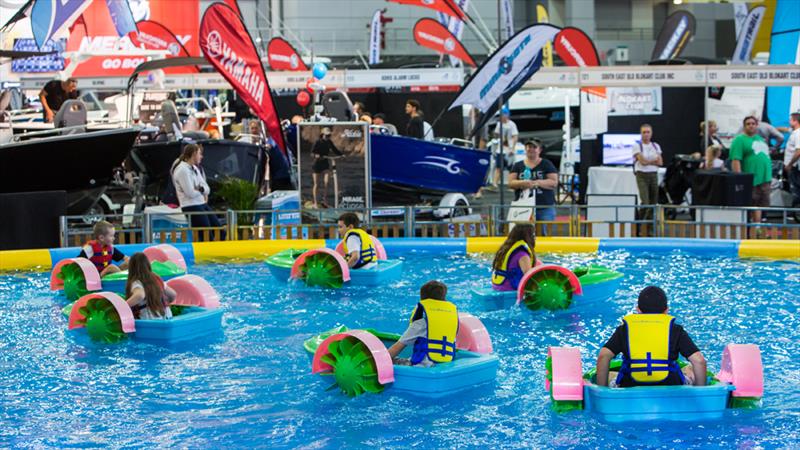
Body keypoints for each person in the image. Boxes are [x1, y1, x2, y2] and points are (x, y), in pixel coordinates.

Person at [595, 286, 707, 388]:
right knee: (689, 369)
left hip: (630, 385)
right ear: (666, 311)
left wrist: (602, 390)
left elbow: (603, 356)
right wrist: (701, 391)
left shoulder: (625, 329)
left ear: (638, 310)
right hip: (670, 385)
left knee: (609, 374)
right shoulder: (675, 329)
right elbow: (699, 361)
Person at [387, 280, 458, 368]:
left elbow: (397, 347)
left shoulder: (421, 324)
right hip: (444, 365)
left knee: (391, 359)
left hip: (421, 367)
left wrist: (381, 361)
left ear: (423, 300)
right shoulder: (452, 322)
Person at [171, 143, 224, 241]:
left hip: (201, 203)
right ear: (194, 154)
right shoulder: (182, 170)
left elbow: (207, 189)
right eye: (200, 154)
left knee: (220, 231)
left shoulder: (195, 168)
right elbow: (190, 193)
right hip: (190, 206)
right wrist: (201, 190)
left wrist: (200, 189)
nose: (201, 157)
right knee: (207, 235)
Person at [731, 116, 772, 237]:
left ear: (757, 125)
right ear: (744, 126)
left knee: (759, 205)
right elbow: (735, 160)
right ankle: (746, 231)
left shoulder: (759, 139)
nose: (751, 125)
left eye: (753, 123)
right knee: (750, 204)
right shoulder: (739, 140)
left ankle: (757, 229)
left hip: (764, 178)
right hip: (750, 179)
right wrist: (739, 178)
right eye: (748, 124)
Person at [508, 140, 559, 228]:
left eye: (534, 147)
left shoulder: (546, 164)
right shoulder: (517, 165)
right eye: (529, 147)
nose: (531, 149)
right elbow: (511, 183)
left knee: (544, 234)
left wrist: (536, 183)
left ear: (539, 150)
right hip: (522, 207)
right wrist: (523, 183)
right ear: (525, 149)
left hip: (544, 207)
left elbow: (554, 182)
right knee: (521, 234)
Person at [124, 252, 177, 320]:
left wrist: (124, 306)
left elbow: (140, 295)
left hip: (150, 319)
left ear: (131, 268)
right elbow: (173, 295)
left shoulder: (137, 282)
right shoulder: (156, 279)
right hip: (167, 316)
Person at [632, 124, 662, 236]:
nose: (646, 134)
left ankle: (650, 229)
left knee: (653, 203)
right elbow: (642, 162)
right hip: (642, 175)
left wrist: (648, 161)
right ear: (641, 133)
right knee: (645, 202)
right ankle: (638, 226)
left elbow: (660, 162)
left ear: (651, 133)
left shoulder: (656, 146)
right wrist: (652, 161)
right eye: (644, 132)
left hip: (653, 175)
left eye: (648, 132)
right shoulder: (637, 146)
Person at [491, 224, 538, 291]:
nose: (535, 238)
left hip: (497, 286)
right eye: (533, 235)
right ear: (528, 236)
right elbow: (529, 276)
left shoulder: (506, 249)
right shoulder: (522, 254)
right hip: (509, 290)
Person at [312, 127, 342, 208]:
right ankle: (315, 202)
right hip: (317, 164)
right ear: (322, 135)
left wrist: (341, 154)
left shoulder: (329, 142)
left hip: (325, 163)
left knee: (326, 182)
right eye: (326, 135)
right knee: (316, 184)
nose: (328, 137)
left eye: (329, 136)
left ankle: (324, 200)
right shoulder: (317, 142)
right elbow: (312, 152)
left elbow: (334, 149)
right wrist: (316, 155)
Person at [491, 109, 519, 188]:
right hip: (500, 149)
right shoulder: (499, 124)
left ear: (506, 115)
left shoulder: (512, 124)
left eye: (502, 115)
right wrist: (496, 134)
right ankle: (495, 184)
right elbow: (496, 135)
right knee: (498, 167)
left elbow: (515, 136)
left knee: (511, 168)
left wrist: (512, 148)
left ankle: (512, 184)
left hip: (509, 149)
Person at [783, 112, 800, 208]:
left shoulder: (798, 134)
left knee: (796, 190)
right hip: (793, 166)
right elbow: (785, 129)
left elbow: (798, 151)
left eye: (790, 120)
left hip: (794, 167)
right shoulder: (795, 132)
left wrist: (790, 164)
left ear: (795, 121)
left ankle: (795, 212)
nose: (789, 122)